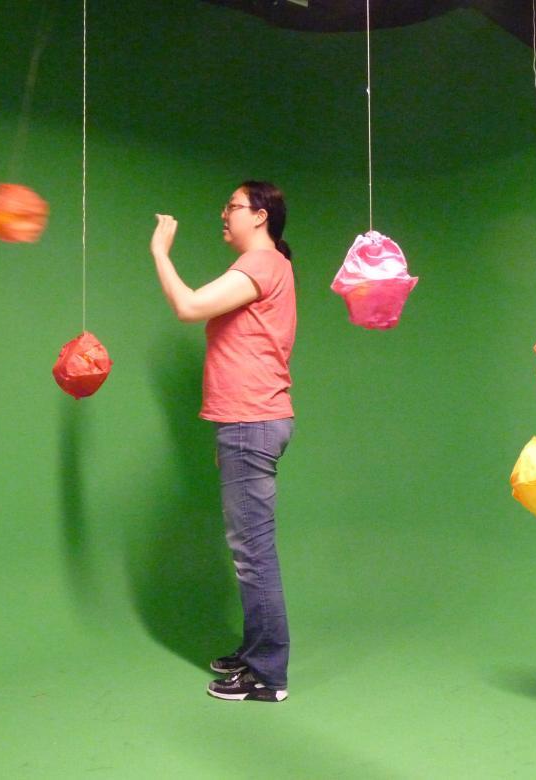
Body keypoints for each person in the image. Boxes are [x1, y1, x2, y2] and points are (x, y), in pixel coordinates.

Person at [149, 181, 297, 703]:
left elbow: (189, 306)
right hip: (246, 423)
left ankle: (268, 676)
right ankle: (256, 651)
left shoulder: (260, 266)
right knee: (249, 551)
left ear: (260, 216)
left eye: (232, 206)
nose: (224, 214)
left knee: (253, 554)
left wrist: (160, 253)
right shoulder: (271, 266)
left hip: (252, 422)